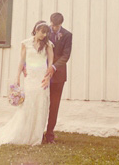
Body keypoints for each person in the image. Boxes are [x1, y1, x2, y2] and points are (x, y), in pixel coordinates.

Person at [0, 21, 54, 146]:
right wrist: (17, 76)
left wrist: (48, 76)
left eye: (46, 33)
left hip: (42, 77)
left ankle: (36, 136)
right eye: (42, 32)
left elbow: (50, 61)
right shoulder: (26, 43)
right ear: (36, 30)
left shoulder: (48, 44)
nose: (43, 35)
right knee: (28, 105)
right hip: (30, 77)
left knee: (40, 105)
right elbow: (22, 60)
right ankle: (23, 133)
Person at [43, 12, 72, 144]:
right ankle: (37, 132)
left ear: (61, 24)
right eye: (52, 25)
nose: (53, 28)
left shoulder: (67, 35)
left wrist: (53, 67)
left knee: (54, 106)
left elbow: (66, 55)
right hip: (42, 74)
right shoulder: (44, 31)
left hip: (58, 76)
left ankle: (49, 134)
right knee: (41, 103)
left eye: (56, 26)